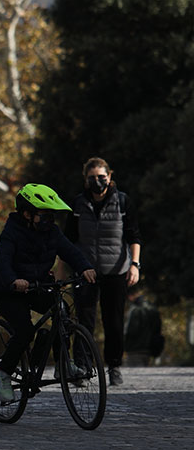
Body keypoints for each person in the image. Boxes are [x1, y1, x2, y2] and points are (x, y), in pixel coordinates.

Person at [0, 184, 96, 403]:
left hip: (37, 286)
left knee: (61, 310)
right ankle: (2, 374)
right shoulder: (12, 232)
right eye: (44, 215)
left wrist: (85, 267)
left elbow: (70, 251)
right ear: (27, 214)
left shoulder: (52, 232)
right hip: (9, 291)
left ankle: (63, 363)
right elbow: (2, 261)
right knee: (25, 331)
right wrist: (13, 281)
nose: (49, 220)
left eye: (51, 215)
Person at [64, 157, 142, 386]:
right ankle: (82, 367)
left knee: (114, 321)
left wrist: (135, 265)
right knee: (84, 321)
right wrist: (62, 270)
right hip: (85, 270)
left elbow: (134, 236)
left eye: (101, 177)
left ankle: (114, 366)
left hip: (116, 270)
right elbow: (68, 240)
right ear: (85, 180)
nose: (97, 181)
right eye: (92, 178)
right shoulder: (78, 204)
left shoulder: (122, 202)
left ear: (110, 177)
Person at [123, 290, 164, 367]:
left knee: (133, 372)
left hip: (134, 349)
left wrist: (124, 344)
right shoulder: (153, 309)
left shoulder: (134, 310)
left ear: (131, 296)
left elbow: (131, 331)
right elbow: (157, 330)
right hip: (148, 349)